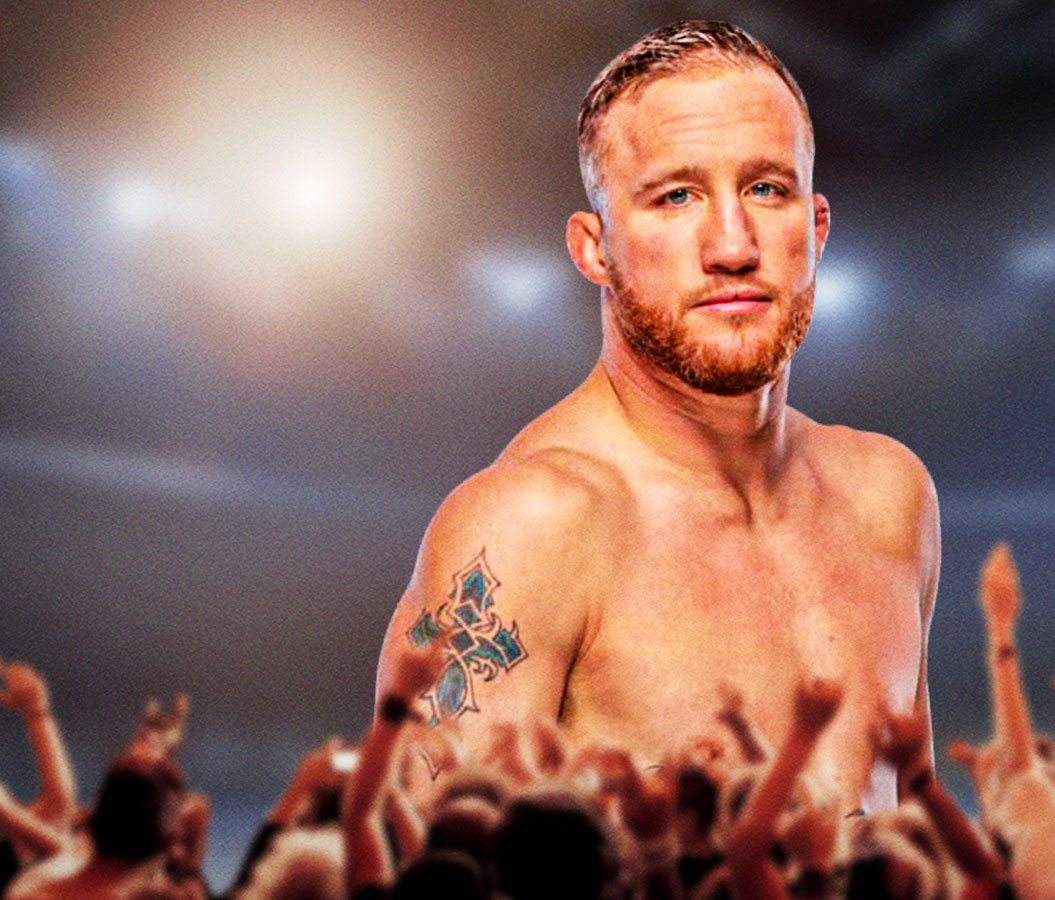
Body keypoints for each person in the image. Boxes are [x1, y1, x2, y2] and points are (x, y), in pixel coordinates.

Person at [376, 19, 940, 814]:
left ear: (815, 229)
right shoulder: (529, 530)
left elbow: (915, 836)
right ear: (594, 248)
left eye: (766, 189)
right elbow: (433, 863)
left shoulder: (889, 498)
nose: (732, 245)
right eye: (676, 196)